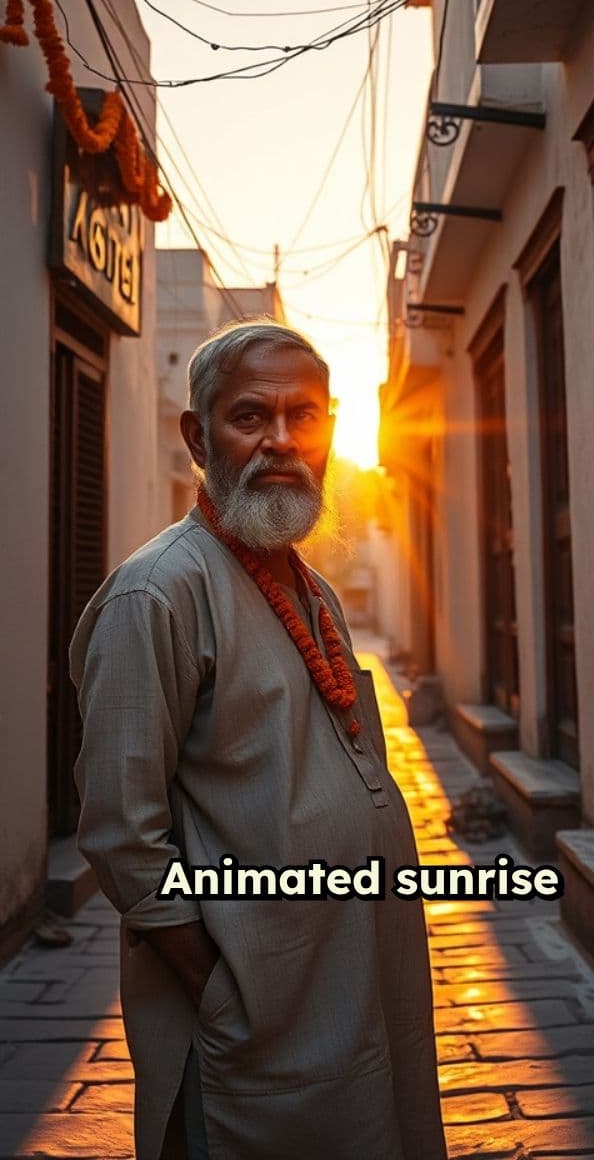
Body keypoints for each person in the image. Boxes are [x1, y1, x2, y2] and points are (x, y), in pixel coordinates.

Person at [69, 320, 448, 1160]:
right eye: (250, 417)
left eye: (303, 417)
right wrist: (224, 992)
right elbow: (122, 837)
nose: (281, 440)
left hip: (355, 992)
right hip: (259, 1021)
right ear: (198, 438)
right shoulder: (158, 594)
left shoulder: (309, 587)